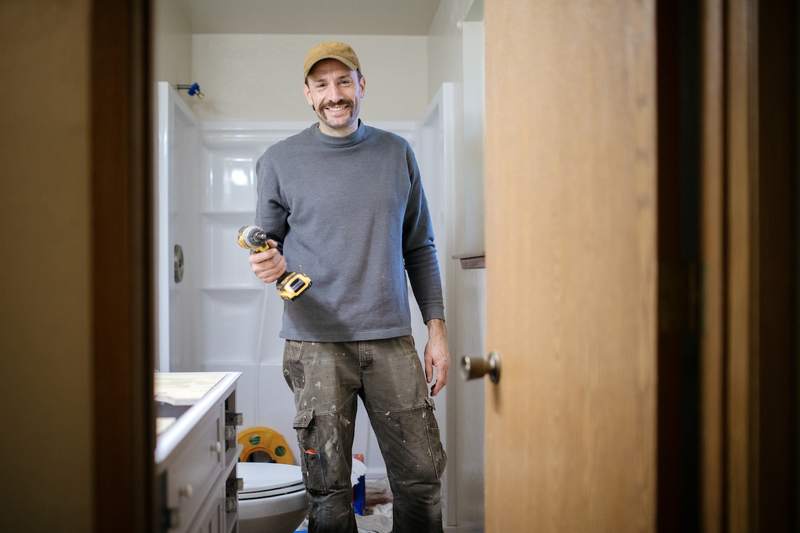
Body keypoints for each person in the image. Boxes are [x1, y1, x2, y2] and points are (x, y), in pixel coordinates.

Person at [248, 41, 449, 533]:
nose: (334, 94)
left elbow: (419, 247)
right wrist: (267, 262)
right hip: (314, 343)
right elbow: (264, 241)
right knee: (327, 487)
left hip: (390, 340)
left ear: (361, 85)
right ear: (307, 93)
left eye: (344, 81)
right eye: (322, 85)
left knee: (422, 475)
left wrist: (436, 333)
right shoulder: (279, 160)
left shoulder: (397, 153)